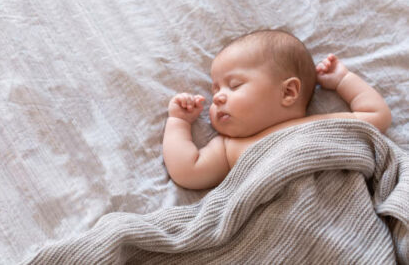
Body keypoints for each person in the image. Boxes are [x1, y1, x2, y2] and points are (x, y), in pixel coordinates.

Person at [162, 29, 392, 190]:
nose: (219, 97)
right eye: (214, 92)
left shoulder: (323, 125)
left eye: (235, 86)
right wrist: (178, 122)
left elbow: (377, 116)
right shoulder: (227, 148)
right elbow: (186, 172)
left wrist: (343, 80)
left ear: (288, 92)